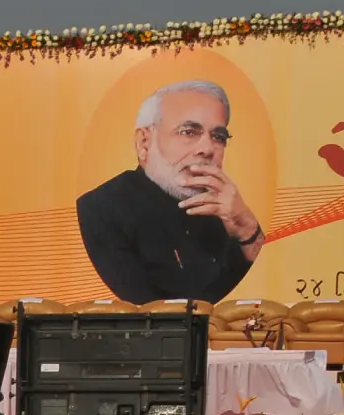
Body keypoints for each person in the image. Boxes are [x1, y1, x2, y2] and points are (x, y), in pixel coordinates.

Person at [75, 81, 265, 305]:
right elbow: (140, 316)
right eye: (189, 132)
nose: (207, 149)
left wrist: (246, 227)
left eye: (218, 137)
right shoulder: (101, 209)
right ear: (144, 143)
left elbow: (255, 302)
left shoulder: (224, 215)